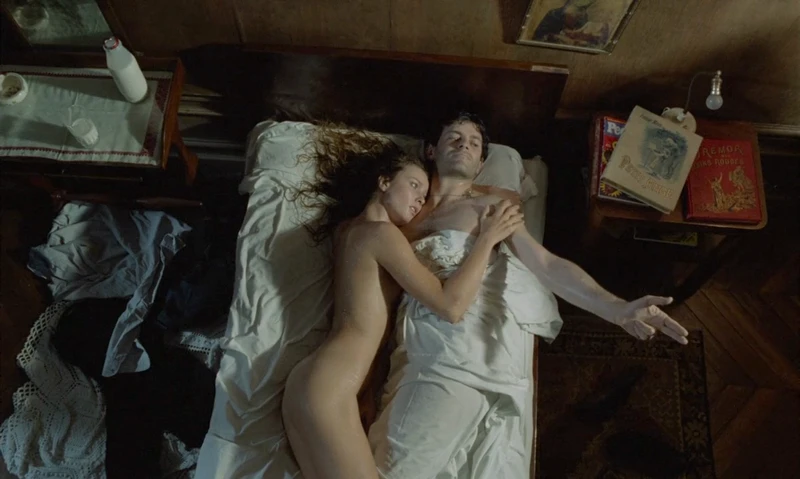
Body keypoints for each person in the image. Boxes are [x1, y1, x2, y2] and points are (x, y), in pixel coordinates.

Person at [368, 112, 691, 478]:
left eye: (474, 143)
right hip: (419, 348)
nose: (464, 146)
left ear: (481, 164)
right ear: (431, 150)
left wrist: (616, 308)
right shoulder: (402, 215)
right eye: (454, 137)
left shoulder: (489, 208)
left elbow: (546, 264)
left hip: (463, 348)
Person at [281, 127, 525, 479]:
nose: (418, 201)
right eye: (413, 186)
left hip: (314, 381)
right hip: (330, 388)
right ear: (383, 182)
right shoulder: (383, 235)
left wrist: (366, 391)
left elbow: (358, 314)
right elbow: (451, 306)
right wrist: (486, 239)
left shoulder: (346, 232)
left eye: (423, 195)